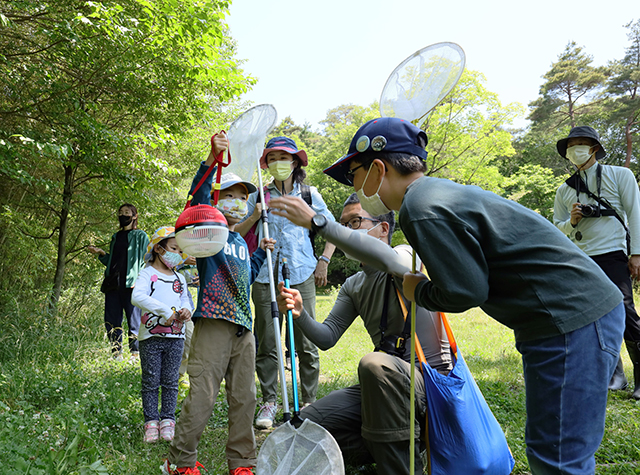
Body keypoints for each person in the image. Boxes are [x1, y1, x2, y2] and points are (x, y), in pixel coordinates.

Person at [269, 117, 625, 475]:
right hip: (554, 323)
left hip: (572, 318)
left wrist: (320, 224)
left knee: (559, 459)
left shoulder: (420, 208)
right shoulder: (436, 197)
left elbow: (466, 292)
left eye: (354, 174)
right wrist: (300, 315)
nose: (354, 185)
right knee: (550, 449)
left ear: (378, 168)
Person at [275, 192, 452, 475]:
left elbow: (393, 261)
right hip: (383, 385)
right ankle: (382, 448)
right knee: (302, 427)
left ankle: (403, 466)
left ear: (383, 229)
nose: (346, 231)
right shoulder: (353, 285)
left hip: (431, 381)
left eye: (355, 221)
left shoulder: (406, 256)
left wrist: (319, 223)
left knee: (374, 364)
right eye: (342, 224)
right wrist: (299, 313)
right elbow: (326, 337)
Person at [163, 134, 275, 475]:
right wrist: (212, 160)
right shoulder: (207, 233)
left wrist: (261, 253)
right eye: (230, 195)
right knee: (204, 394)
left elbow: (246, 274)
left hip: (244, 327)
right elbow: (195, 197)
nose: (239, 201)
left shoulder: (240, 239)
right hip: (213, 320)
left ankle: (243, 462)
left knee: (245, 398)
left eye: (243, 196)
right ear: (215, 199)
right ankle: (180, 461)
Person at [235, 136, 336, 429]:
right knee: (266, 341)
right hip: (265, 275)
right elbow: (236, 234)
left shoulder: (309, 194)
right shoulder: (258, 196)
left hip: (302, 272)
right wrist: (255, 216)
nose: (279, 162)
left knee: (307, 341)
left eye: (284, 157)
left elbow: (331, 229)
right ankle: (269, 400)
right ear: (266, 163)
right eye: (273, 157)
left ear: (295, 162)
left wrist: (324, 260)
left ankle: (310, 403)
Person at [553, 126, 640, 398]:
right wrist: (572, 221)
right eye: (572, 145)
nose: (576, 149)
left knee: (625, 312)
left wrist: (636, 253)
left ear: (594, 148)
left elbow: (635, 213)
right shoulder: (565, 190)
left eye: (582, 143)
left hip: (613, 253)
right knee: (593, 317)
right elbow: (556, 229)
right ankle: (615, 376)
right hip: (580, 258)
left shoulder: (619, 175)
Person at [131, 226, 193, 444]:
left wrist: (187, 310)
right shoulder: (148, 273)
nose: (178, 254)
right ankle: (151, 422)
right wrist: (165, 311)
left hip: (176, 337)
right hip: (150, 337)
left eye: (181, 250)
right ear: (159, 248)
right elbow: (137, 296)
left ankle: (168, 420)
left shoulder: (180, 277)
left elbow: (185, 299)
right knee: (150, 379)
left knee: (170, 380)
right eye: (174, 248)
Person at [88, 204, 149, 360]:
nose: (123, 215)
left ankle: (135, 353)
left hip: (132, 284)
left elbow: (145, 260)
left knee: (134, 319)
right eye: (120, 213)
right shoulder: (116, 237)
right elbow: (113, 262)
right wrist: (101, 253)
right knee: (111, 318)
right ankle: (116, 352)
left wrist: (140, 280)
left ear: (135, 216)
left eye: (127, 213)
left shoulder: (141, 236)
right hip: (113, 283)